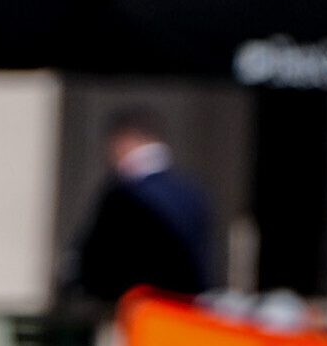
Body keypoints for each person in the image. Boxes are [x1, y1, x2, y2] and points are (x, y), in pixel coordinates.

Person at [71, 108, 217, 306]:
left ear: (123, 142)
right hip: (185, 313)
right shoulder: (193, 192)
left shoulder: (123, 196)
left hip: (140, 312)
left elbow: (95, 262)